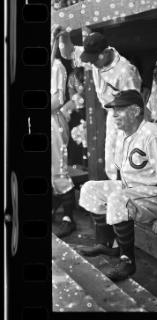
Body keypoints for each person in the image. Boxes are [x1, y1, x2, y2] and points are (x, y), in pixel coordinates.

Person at [78, 90, 157, 281]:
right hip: (138, 191)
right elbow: (122, 174)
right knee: (90, 189)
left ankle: (127, 262)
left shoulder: (153, 135)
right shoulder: (125, 135)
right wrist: (119, 191)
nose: (114, 114)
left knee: (118, 199)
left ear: (135, 111)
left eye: (119, 110)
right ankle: (106, 242)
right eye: (113, 110)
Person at [54, 26, 142, 180]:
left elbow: (135, 107)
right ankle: (117, 193)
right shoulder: (95, 57)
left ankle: (131, 197)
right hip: (112, 114)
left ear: (106, 52)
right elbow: (67, 53)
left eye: (95, 59)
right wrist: (65, 36)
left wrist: (129, 133)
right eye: (90, 59)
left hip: (128, 116)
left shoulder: (125, 71)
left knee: (127, 160)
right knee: (110, 163)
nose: (92, 62)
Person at [51, 26, 76, 238]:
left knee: (59, 170)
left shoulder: (57, 66)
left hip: (53, 122)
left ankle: (69, 218)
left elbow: (58, 100)